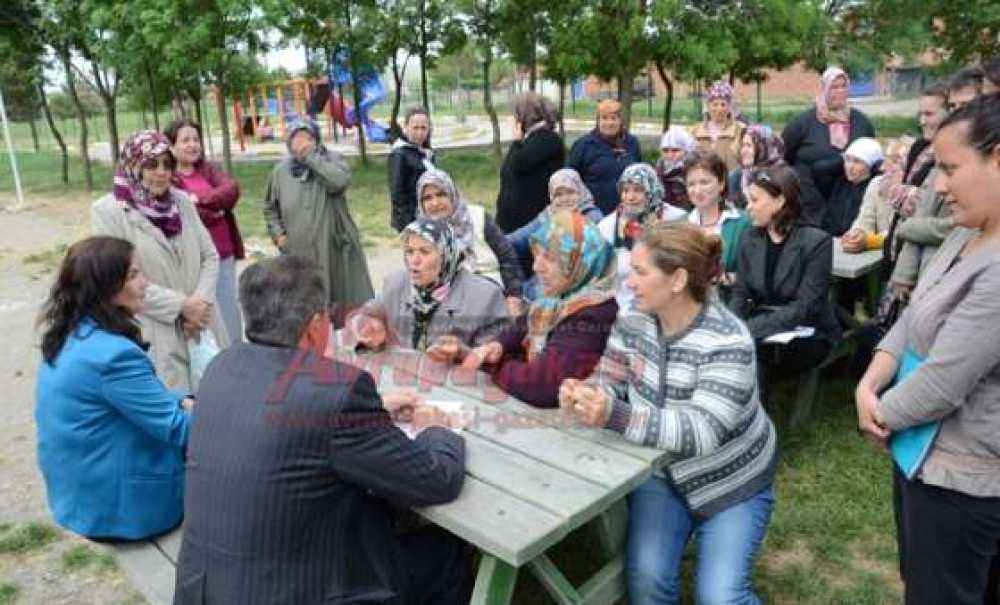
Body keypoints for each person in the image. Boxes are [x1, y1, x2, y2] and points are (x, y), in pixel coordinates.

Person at [173, 255, 468, 605]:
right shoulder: (337, 392)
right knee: (449, 551)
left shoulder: (222, 367)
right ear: (316, 327)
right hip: (301, 590)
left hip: (206, 587)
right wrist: (437, 430)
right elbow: (436, 481)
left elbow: (286, 421)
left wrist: (371, 413)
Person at [559, 221, 777, 605]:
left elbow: (702, 431)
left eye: (640, 273)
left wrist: (614, 415)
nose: (629, 283)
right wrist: (590, 394)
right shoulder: (632, 321)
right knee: (646, 582)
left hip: (732, 482)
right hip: (662, 477)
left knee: (721, 598)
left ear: (677, 280)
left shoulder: (728, 340)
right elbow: (612, 377)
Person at [855, 94, 1000, 605]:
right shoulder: (966, 234)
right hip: (918, 452)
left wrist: (879, 413)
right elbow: (915, 313)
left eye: (950, 168)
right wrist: (869, 381)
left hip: (962, 478)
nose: (939, 186)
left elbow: (944, 382)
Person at [35, 237, 193, 541]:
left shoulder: (72, 332)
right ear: (105, 287)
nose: (145, 283)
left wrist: (186, 400)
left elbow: (131, 399)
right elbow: (179, 430)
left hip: (79, 495)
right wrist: (224, 412)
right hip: (121, 509)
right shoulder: (113, 356)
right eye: (133, 275)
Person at [92, 130, 228, 392]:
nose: (162, 172)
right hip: (156, 328)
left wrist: (198, 306)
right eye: (152, 165)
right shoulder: (109, 212)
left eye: (167, 164)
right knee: (175, 411)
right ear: (134, 166)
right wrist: (181, 306)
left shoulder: (181, 201)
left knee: (217, 401)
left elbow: (210, 256)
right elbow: (117, 278)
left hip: (202, 322)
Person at [463, 211, 618, 408]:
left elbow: (541, 385)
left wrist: (496, 364)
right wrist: (498, 346)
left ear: (579, 262)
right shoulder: (558, 297)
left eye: (550, 259)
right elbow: (521, 327)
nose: (536, 267)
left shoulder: (593, 315)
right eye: (537, 255)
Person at [731, 164, 841, 403]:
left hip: (809, 330)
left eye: (754, 200)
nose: (748, 206)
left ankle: (754, 428)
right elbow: (741, 294)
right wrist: (732, 326)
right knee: (741, 352)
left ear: (779, 201)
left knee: (752, 354)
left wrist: (748, 331)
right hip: (764, 323)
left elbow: (805, 308)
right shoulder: (750, 237)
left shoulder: (817, 242)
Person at [263, 118, 374, 325]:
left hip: (336, 249)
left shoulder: (331, 160)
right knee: (308, 311)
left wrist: (310, 156)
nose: (301, 143)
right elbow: (270, 207)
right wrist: (279, 236)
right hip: (299, 250)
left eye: (307, 137)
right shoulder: (280, 172)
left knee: (344, 310)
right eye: (295, 138)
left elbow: (338, 182)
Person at [351, 218, 510, 360]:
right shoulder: (395, 283)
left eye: (424, 252)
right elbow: (368, 312)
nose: (414, 261)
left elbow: (495, 360)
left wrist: (462, 353)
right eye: (409, 251)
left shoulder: (485, 296)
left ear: (446, 254)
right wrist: (365, 323)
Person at [165, 118, 245, 342]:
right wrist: (215, 210)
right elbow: (188, 214)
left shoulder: (208, 170)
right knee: (204, 312)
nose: (193, 145)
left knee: (229, 308)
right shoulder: (170, 179)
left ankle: (236, 356)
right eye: (185, 140)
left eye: (196, 139)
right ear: (171, 147)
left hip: (223, 251)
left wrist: (199, 199)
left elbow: (231, 189)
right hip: (195, 258)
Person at [415, 168, 524, 315]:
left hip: (491, 290)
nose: (435, 203)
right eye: (427, 198)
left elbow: (507, 258)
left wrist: (514, 297)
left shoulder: (477, 216)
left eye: (441, 194)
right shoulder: (420, 234)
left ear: (452, 194)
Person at [783, 66, 876, 229]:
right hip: (809, 208)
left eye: (843, 86)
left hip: (847, 207)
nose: (840, 91)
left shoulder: (861, 122)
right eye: (834, 87)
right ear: (824, 89)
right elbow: (783, 156)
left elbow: (871, 158)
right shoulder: (803, 123)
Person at [878, 82, 950, 291]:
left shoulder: (947, 155)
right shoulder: (917, 147)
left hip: (927, 261)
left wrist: (904, 192)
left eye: (929, 114)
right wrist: (912, 194)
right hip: (895, 249)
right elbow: (884, 184)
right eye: (920, 114)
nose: (922, 121)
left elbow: (923, 206)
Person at [598, 163, 686, 310]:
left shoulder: (676, 219)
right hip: (621, 310)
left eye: (638, 190)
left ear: (652, 190)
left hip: (666, 308)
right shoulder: (607, 226)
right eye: (625, 190)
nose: (630, 197)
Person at [507, 168, 602, 292]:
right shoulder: (549, 215)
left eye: (570, 192)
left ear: (581, 192)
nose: (565, 199)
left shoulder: (593, 217)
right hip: (547, 277)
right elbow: (519, 239)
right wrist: (492, 241)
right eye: (558, 194)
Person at [496, 92, 565, 232]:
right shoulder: (528, 140)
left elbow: (519, 164)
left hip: (530, 223)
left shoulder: (547, 139)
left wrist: (516, 142)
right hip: (511, 222)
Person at [684, 152, 751, 289]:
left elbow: (754, 274)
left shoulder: (744, 222)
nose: (697, 190)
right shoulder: (681, 225)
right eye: (691, 184)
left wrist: (729, 278)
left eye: (704, 182)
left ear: (721, 184)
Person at [567, 99, 643, 215]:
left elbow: (640, 175)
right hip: (593, 213)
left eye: (614, 118)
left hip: (627, 212)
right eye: (604, 118)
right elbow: (570, 179)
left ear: (620, 120)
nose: (609, 123)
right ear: (598, 121)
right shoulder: (584, 145)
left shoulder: (631, 142)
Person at [842, 137, 913, 254]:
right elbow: (864, 220)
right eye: (885, 160)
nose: (883, 167)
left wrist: (870, 241)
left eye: (895, 161)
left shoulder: (918, 192)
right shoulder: (877, 183)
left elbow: (904, 232)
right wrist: (856, 234)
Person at [824, 136, 884, 237]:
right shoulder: (839, 183)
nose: (850, 167)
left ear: (872, 166)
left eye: (857, 161)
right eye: (847, 160)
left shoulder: (876, 189)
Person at [388, 107, 435, 232]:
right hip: (411, 219)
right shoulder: (399, 154)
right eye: (415, 128)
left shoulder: (426, 153)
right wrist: (409, 225)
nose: (420, 133)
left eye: (423, 128)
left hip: (428, 213)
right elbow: (397, 194)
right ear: (406, 127)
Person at [689, 81, 746, 171]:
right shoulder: (694, 131)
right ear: (707, 106)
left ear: (730, 106)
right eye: (715, 104)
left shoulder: (741, 130)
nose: (719, 109)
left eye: (723, 104)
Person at [729, 124, 785, 209]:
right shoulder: (735, 177)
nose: (744, 151)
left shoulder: (782, 177)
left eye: (749, 146)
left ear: (763, 147)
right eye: (742, 145)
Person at [654, 126, 697, 211]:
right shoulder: (659, 168)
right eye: (665, 150)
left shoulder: (694, 170)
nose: (670, 155)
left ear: (686, 150)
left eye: (675, 150)